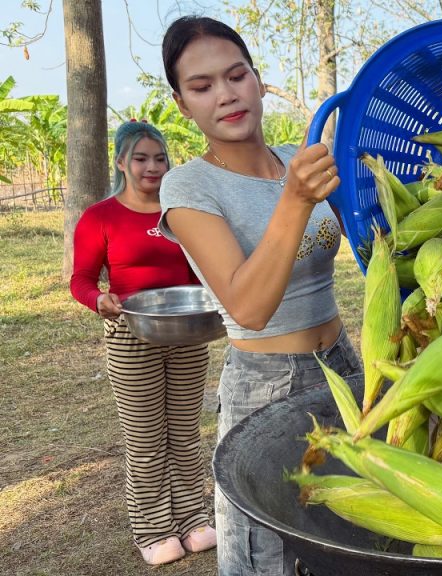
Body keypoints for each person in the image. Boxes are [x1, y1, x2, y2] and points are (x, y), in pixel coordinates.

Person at [159, 16, 361, 576]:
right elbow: (247, 307)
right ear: (182, 104)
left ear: (257, 80)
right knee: (266, 552)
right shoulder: (189, 186)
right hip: (268, 382)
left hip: (342, 364)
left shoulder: (296, 159)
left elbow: (370, 236)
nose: (226, 95)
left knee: (348, 527)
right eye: (202, 86)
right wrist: (293, 200)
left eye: (236, 75)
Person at [69, 120, 216, 566]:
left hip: (186, 334)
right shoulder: (101, 217)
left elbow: (196, 273)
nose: (152, 167)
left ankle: (192, 518)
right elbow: (80, 279)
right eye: (141, 158)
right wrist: (98, 299)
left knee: (185, 434)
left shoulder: (179, 212)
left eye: (159, 158)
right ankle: (153, 529)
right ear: (121, 162)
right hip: (131, 335)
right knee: (147, 440)